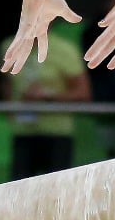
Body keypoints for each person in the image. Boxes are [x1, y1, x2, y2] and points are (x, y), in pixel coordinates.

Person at [6, 31, 92, 178]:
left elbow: (83, 93)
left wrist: (48, 98)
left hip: (57, 133)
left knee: (58, 190)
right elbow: (6, 85)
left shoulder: (65, 49)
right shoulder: (7, 46)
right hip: (22, 131)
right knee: (18, 190)